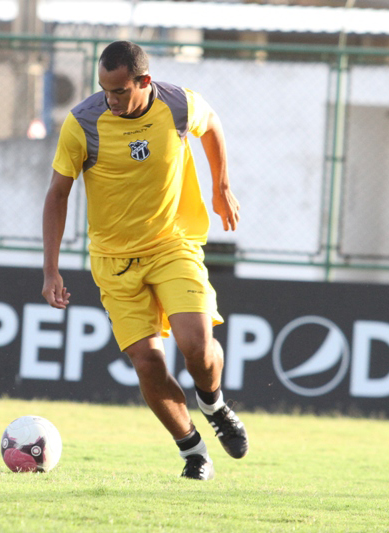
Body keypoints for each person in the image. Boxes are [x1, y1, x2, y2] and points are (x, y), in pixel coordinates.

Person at [42, 41, 247, 480]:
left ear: (144, 82)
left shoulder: (177, 105)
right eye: (103, 89)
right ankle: (193, 452)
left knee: (197, 345)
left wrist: (221, 185)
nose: (109, 100)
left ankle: (214, 404)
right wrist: (51, 269)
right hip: (115, 261)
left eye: (118, 91)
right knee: (148, 362)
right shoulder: (83, 122)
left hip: (173, 245)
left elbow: (211, 124)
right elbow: (58, 194)